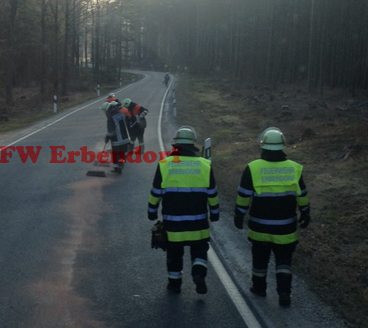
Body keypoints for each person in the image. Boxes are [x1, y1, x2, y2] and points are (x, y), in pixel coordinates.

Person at [234, 127, 311, 307]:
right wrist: (306, 212)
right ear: (283, 147)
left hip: (259, 227)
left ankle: (259, 288)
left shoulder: (253, 168)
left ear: (263, 147)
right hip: (286, 227)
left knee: (260, 259)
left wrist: (239, 214)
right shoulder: (294, 168)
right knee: (284, 261)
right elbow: (302, 195)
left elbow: (244, 195)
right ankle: (284, 293)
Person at [148, 126, 220, 294]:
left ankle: (174, 285)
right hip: (199, 224)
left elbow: (156, 193)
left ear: (176, 145)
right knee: (200, 250)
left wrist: (152, 211)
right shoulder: (205, 165)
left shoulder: (165, 165)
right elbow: (212, 194)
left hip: (173, 225)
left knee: (174, 254)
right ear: (193, 143)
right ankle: (198, 273)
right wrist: (215, 214)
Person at [100, 101, 132, 174]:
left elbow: (111, 130)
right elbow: (127, 124)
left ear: (107, 110)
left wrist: (107, 137)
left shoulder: (110, 118)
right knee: (122, 153)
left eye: (105, 111)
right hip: (125, 138)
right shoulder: (121, 114)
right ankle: (121, 164)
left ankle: (117, 169)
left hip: (117, 140)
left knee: (115, 154)